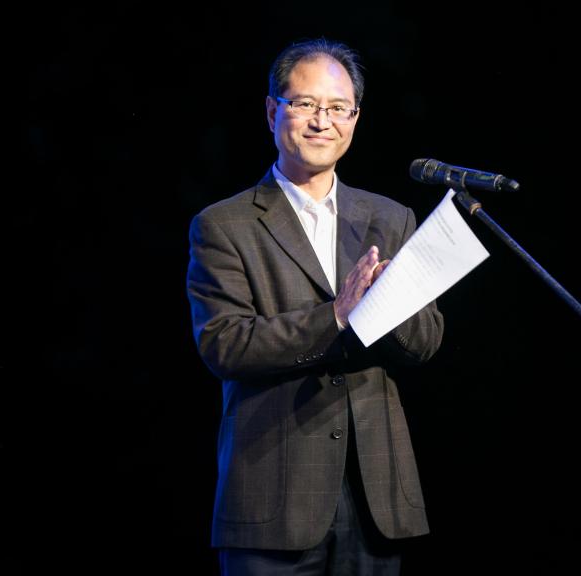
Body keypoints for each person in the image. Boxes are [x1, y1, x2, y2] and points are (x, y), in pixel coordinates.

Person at [186, 38, 444, 575]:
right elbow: (224, 344)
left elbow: (424, 344)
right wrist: (336, 317)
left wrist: (393, 303)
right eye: (304, 104)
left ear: (355, 119)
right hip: (273, 495)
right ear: (271, 111)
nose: (321, 121)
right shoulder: (225, 224)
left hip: (375, 496)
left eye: (337, 108)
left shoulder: (390, 218)